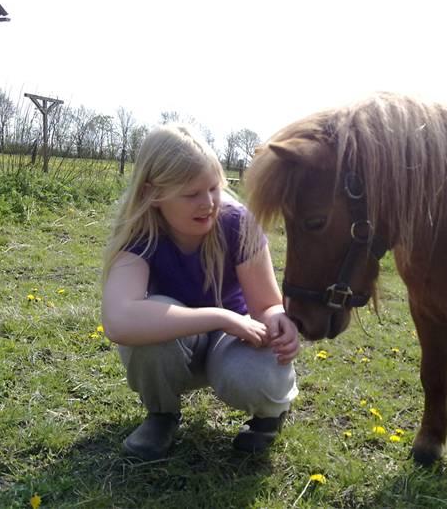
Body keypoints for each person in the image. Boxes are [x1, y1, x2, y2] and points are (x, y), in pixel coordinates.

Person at [101, 124, 299, 461]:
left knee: (258, 374)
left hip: (233, 343)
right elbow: (119, 319)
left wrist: (279, 320)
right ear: (153, 193)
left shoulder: (238, 223)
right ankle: (162, 415)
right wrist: (220, 316)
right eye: (191, 194)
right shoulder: (139, 232)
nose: (208, 203)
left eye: (213, 188)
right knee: (148, 335)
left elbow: (266, 305)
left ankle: (269, 414)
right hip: (180, 345)